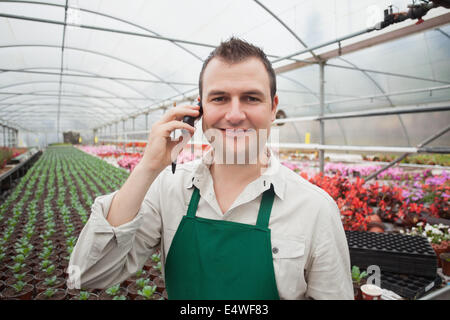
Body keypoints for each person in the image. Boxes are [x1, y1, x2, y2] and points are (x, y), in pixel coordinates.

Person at [68, 37, 353, 300]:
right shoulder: (169, 188)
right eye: (219, 98)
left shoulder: (314, 209)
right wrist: (148, 167)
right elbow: (88, 274)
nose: (235, 114)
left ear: (272, 108)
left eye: (251, 98)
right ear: (199, 109)